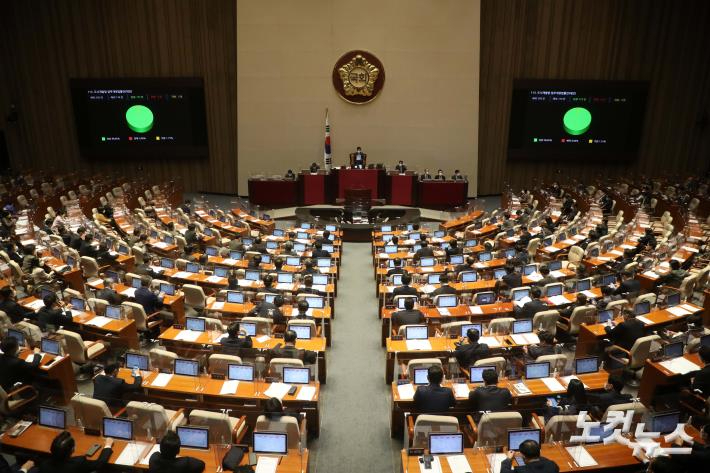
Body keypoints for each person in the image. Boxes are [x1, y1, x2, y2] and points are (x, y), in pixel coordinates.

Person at [39, 431, 113, 473]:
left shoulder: (44, 465)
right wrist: (108, 445)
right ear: (72, 449)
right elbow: (99, 463)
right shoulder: (78, 462)